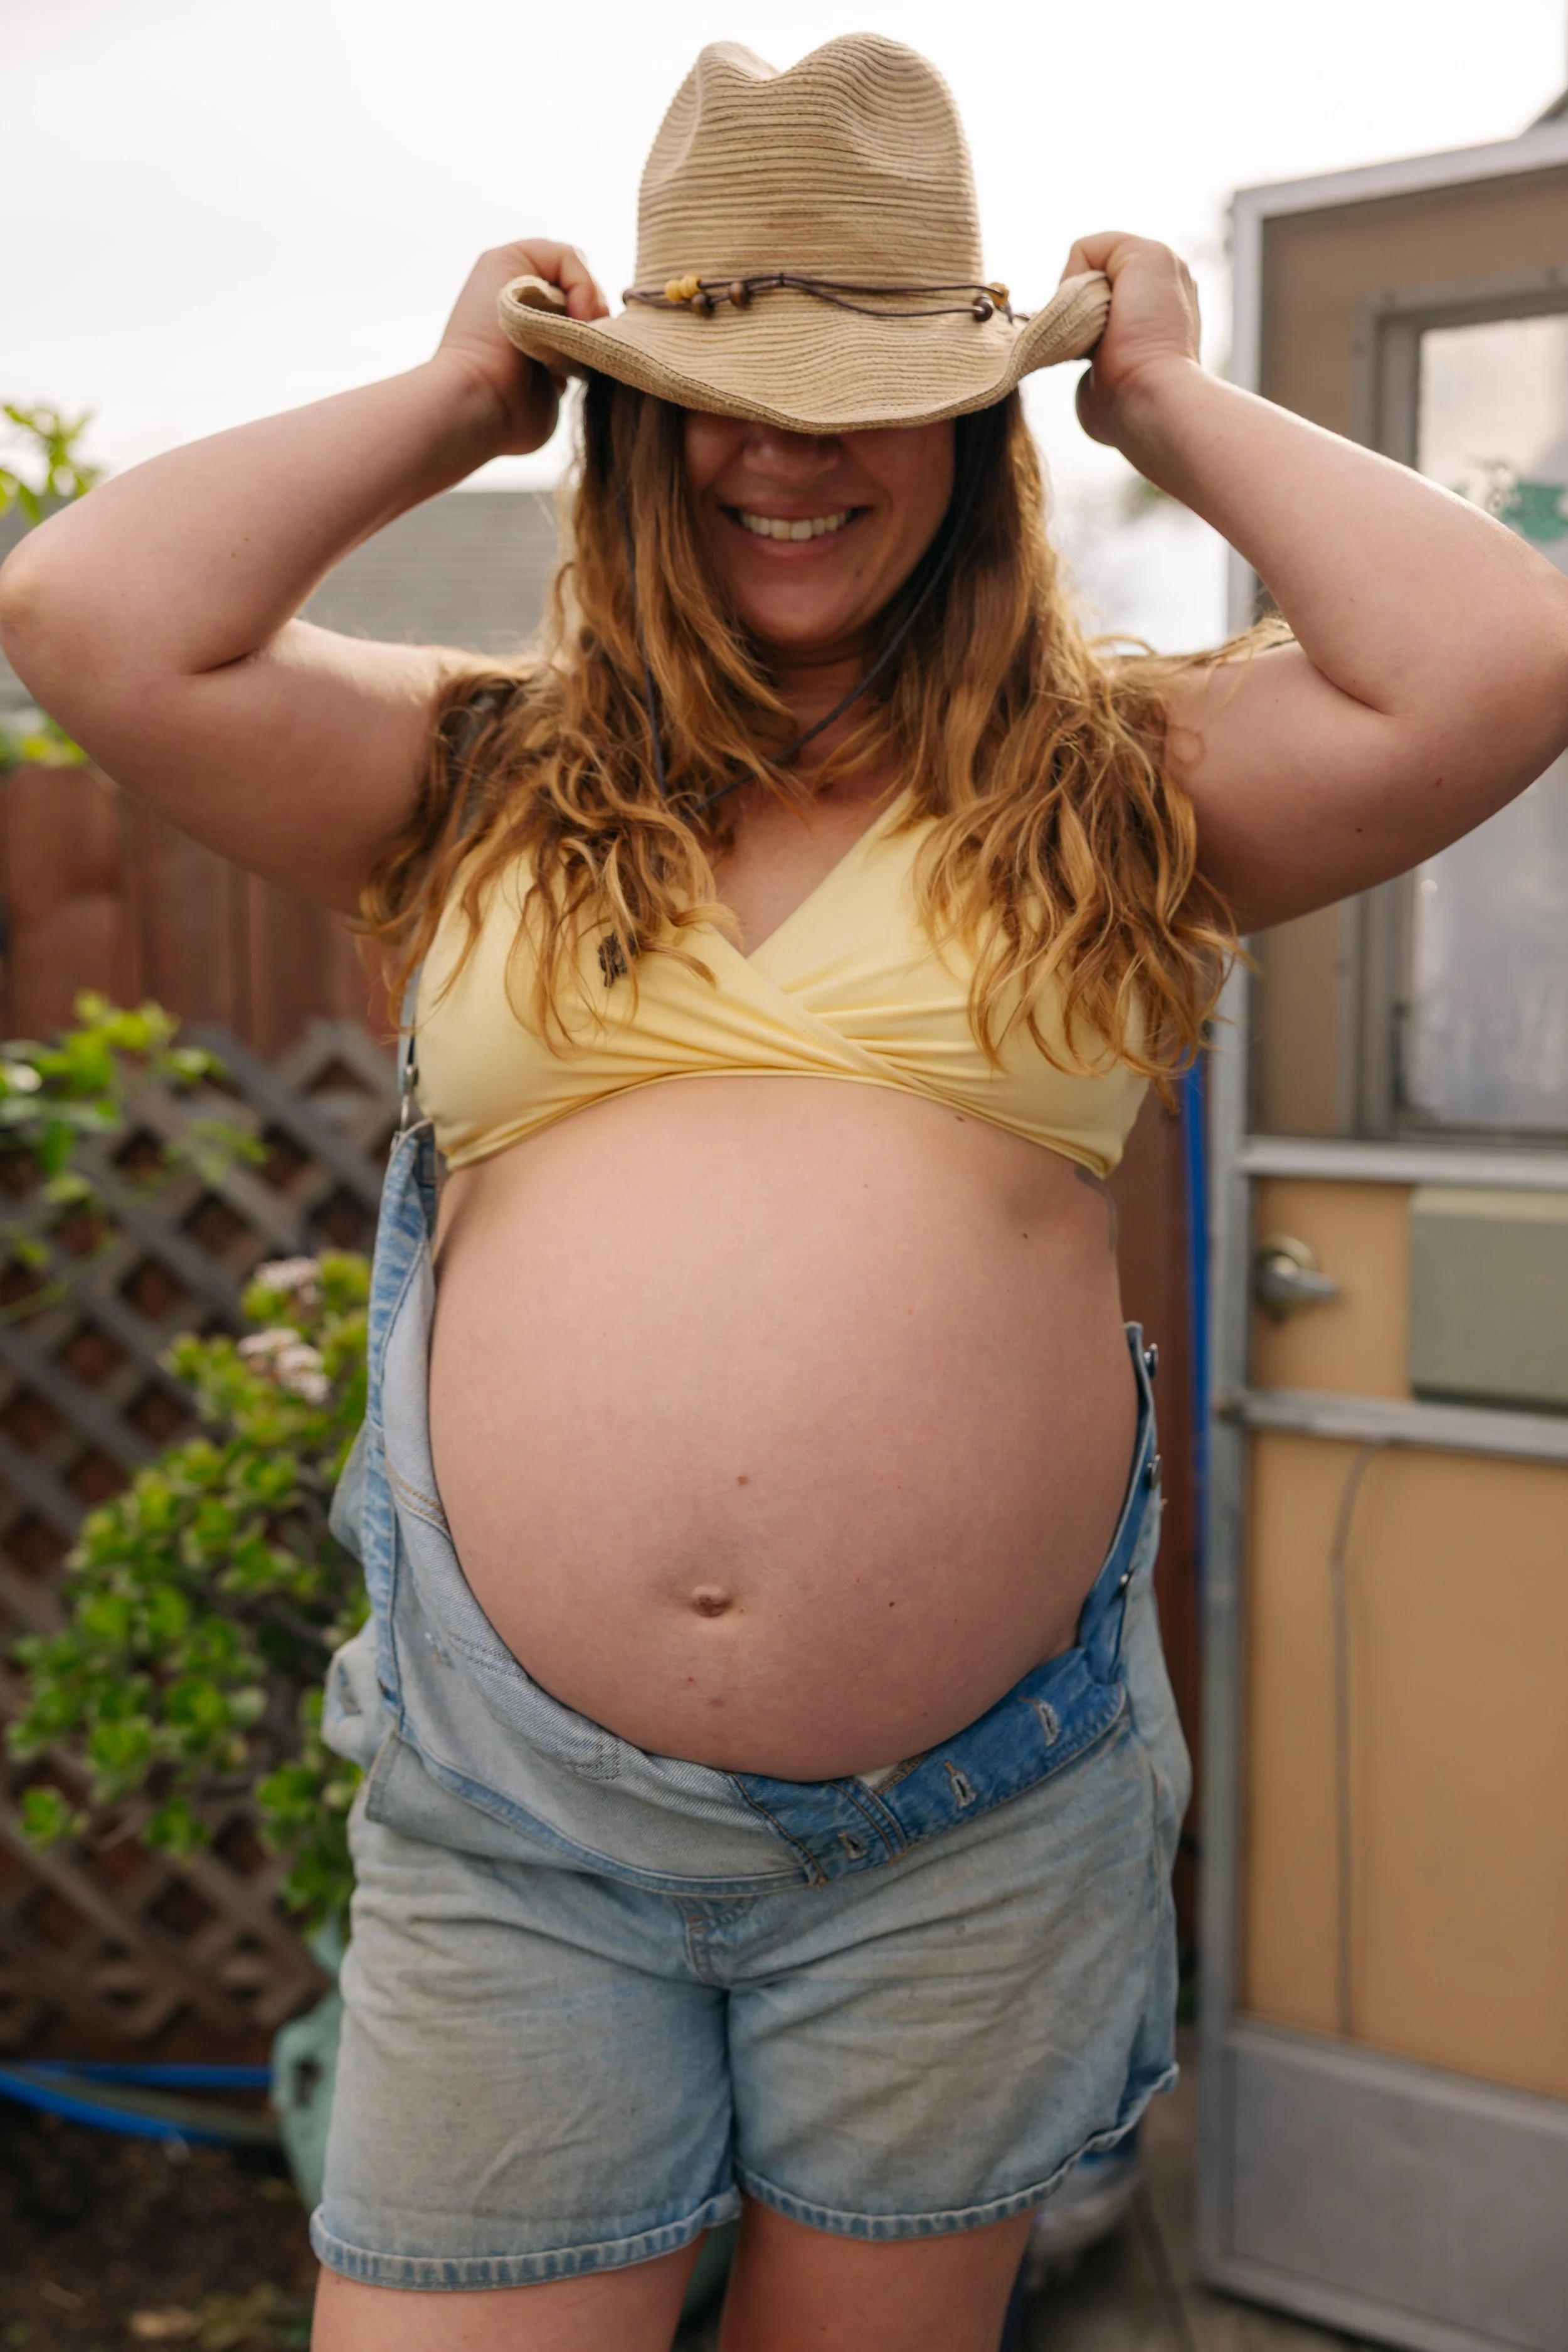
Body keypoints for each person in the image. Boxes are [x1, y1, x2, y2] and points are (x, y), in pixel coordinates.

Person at [4, 33, 1567, 2352]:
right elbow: (88, 614)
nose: (789, 449)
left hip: (963, 1844)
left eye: (871, 388)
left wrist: (1158, 403)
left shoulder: (1125, 782)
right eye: (725, 384)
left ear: (969, 432)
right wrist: (459, 394)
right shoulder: (468, 773)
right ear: (628, 416)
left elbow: (1502, 654)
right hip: (514, 1830)